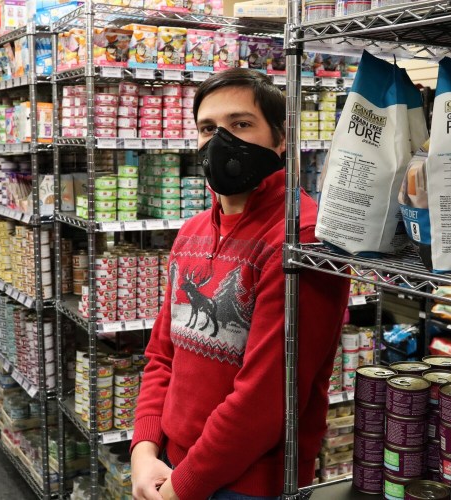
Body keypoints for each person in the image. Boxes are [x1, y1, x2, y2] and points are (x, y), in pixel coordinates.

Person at [131, 68, 350, 500]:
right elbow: (162, 353)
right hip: (170, 464)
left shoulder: (303, 238)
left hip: (253, 483)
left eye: (241, 125)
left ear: (281, 138)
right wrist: (143, 447)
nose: (221, 141)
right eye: (208, 128)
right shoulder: (191, 231)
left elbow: (267, 397)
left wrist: (187, 483)